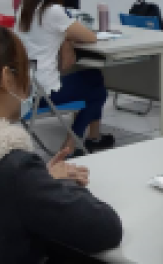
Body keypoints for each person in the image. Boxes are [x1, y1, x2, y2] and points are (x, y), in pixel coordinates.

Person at [0, 27, 123, 263]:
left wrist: (40, 180)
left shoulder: (18, 175)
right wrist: (59, 185)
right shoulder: (15, 169)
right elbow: (105, 229)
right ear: (7, 79)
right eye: (26, 70)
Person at [16, 0, 114, 153]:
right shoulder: (52, 10)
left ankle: (88, 139)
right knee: (97, 88)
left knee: (91, 77)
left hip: (23, 87)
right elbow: (90, 37)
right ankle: (71, 145)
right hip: (43, 92)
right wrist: (66, 36)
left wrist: (64, 36)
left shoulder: (25, 6)